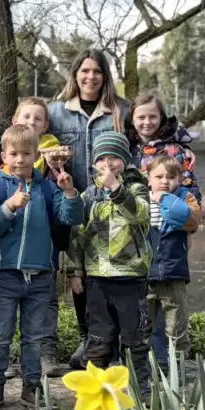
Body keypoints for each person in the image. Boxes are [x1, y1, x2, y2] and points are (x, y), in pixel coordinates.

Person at [0, 125, 83, 410]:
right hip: (6, 273)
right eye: (13, 154)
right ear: (3, 155)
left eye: (27, 153)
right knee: (0, 334)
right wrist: (9, 206)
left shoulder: (48, 187)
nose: (20, 159)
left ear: (36, 155)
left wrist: (70, 192)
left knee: (34, 336)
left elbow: (70, 218)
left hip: (41, 274)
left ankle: (32, 386)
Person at [48, 49, 130, 369]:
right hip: (70, 203)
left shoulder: (120, 110)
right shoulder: (56, 112)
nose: (90, 77)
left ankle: (116, 339)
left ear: (105, 76)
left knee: (109, 274)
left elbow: (136, 149)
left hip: (109, 206)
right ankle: (87, 338)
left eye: (97, 71)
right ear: (75, 74)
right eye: (84, 71)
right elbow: (26, 133)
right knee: (77, 274)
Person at [66, 132, 152, 399]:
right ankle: (94, 388)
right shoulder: (89, 195)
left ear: (124, 161)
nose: (107, 164)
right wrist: (75, 271)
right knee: (99, 337)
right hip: (97, 277)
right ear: (93, 164)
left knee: (134, 337)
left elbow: (138, 214)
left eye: (114, 157)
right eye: (101, 159)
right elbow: (77, 235)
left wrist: (116, 188)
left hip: (130, 276)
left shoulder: (137, 188)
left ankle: (140, 389)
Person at [128, 93, 202, 365]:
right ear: (132, 119)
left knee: (173, 315)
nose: (147, 122)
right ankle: (148, 363)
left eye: (152, 116)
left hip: (172, 238)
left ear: (161, 118)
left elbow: (191, 191)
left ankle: (173, 365)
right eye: (141, 117)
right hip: (142, 242)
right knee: (144, 315)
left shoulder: (176, 150)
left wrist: (190, 230)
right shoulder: (128, 145)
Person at [12, 97, 71, 378]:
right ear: (15, 121)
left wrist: (55, 167)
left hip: (45, 240)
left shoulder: (57, 156)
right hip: (12, 245)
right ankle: (20, 354)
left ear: (46, 125)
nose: (31, 123)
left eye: (38, 119)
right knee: (11, 299)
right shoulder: (8, 157)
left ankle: (47, 351)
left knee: (47, 298)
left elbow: (64, 198)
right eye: (26, 117)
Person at [145, 154, 201, 359]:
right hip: (145, 272)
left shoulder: (186, 197)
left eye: (170, 177)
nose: (164, 181)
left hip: (174, 270)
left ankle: (179, 364)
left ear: (179, 180)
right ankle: (146, 362)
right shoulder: (141, 198)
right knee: (144, 323)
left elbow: (190, 220)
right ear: (148, 178)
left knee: (176, 323)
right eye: (158, 177)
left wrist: (165, 198)